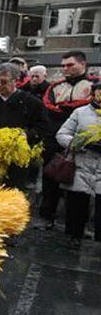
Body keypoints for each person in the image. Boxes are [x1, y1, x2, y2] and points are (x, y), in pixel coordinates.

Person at [39, 51, 93, 227]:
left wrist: (62, 109)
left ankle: (76, 227)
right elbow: (48, 109)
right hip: (55, 140)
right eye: (63, 65)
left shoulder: (92, 86)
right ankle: (47, 218)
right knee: (50, 181)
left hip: (84, 143)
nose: (65, 69)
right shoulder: (55, 87)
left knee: (79, 189)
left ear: (83, 64)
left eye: (70, 65)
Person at [55, 80, 101, 246]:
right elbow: (62, 135)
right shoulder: (80, 113)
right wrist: (79, 143)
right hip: (81, 165)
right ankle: (73, 237)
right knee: (76, 205)